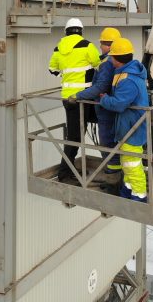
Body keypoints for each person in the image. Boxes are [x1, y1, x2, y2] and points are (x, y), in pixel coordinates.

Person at [48, 18, 101, 182]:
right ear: (81, 30)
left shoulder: (58, 48)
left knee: (76, 134)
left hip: (68, 99)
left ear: (66, 31)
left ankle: (68, 169)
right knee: (76, 137)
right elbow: (98, 64)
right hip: (85, 98)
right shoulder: (87, 45)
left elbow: (52, 69)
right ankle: (65, 172)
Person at [99, 37, 148, 202]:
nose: (110, 59)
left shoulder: (128, 80)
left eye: (112, 57)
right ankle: (128, 190)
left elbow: (119, 104)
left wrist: (104, 99)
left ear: (118, 59)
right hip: (128, 126)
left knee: (132, 165)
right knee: (128, 163)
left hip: (132, 129)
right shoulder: (124, 72)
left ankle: (139, 196)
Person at [71, 27, 121, 180]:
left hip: (105, 109)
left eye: (102, 43)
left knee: (107, 140)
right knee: (109, 140)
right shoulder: (108, 60)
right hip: (107, 107)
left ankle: (113, 173)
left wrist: (78, 95)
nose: (100, 46)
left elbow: (100, 87)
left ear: (109, 44)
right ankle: (113, 168)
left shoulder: (107, 63)